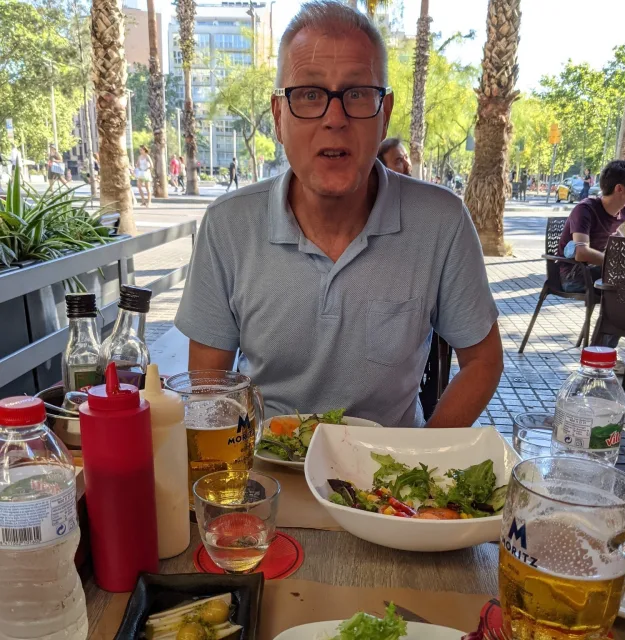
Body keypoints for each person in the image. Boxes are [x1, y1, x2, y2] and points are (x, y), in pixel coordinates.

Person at [175, 0, 502, 428]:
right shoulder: (227, 225)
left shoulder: (442, 222)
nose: (335, 118)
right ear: (278, 117)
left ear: (383, 116)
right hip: (265, 471)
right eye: (309, 95)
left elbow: (483, 361)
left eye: (357, 95)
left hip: (388, 480)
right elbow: (208, 386)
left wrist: (421, 463)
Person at [557, 159, 625, 369]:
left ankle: (604, 353)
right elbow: (581, 252)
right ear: (620, 188)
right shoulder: (585, 209)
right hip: (573, 275)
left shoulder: (624, 212)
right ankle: (599, 358)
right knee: (621, 291)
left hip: (597, 272)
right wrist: (616, 263)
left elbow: (614, 236)